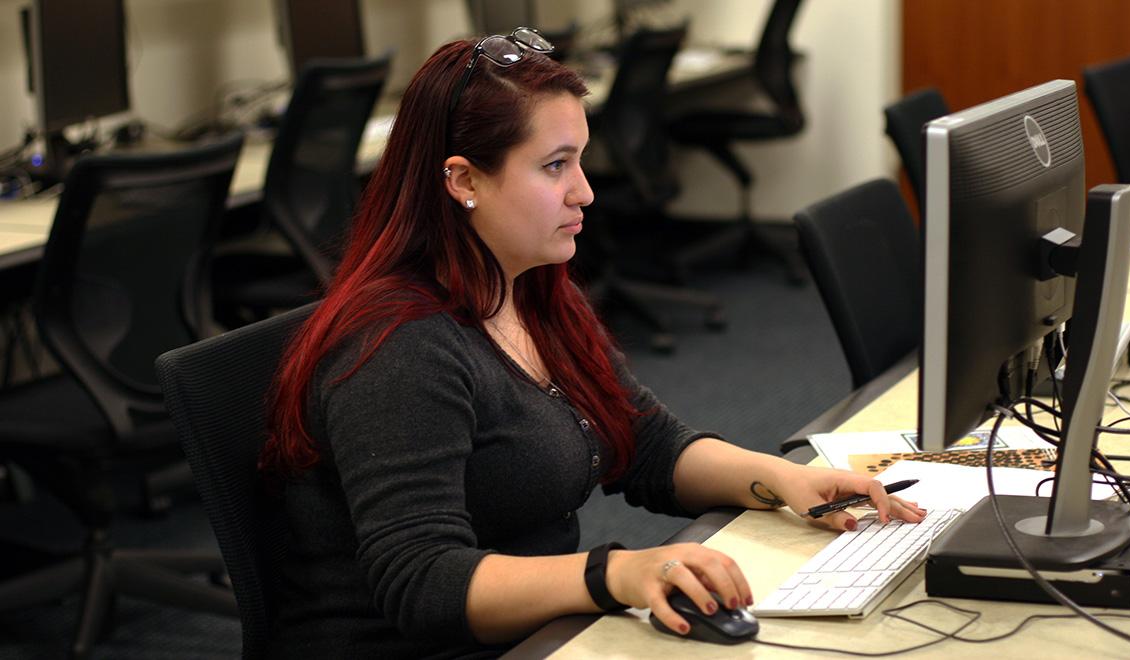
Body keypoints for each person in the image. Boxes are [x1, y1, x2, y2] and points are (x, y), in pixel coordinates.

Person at [260, 29, 925, 659]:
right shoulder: (399, 348)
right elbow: (423, 580)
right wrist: (615, 575)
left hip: (542, 633)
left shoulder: (531, 289)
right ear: (462, 181)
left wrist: (786, 479)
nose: (585, 191)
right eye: (555, 166)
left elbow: (644, 444)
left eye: (579, 159)